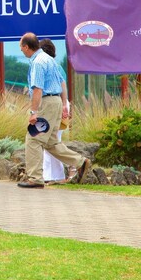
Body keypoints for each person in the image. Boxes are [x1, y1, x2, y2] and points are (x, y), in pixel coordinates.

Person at [17, 33, 91, 189]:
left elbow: (38, 89)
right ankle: (80, 162)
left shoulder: (37, 62)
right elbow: (62, 83)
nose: (21, 51)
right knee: (51, 142)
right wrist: (64, 104)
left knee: (33, 139)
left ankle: (35, 178)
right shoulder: (49, 59)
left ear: (26, 46)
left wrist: (33, 112)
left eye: (21, 47)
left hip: (46, 103)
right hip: (56, 101)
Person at [39, 38, 69, 184]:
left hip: (55, 104)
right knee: (52, 140)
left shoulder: (49, 66)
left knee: (50, 141)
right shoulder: (56, 65)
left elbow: (62, 85)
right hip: (59, 103)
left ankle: (53, 176)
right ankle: (55, 175)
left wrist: (63, 105)